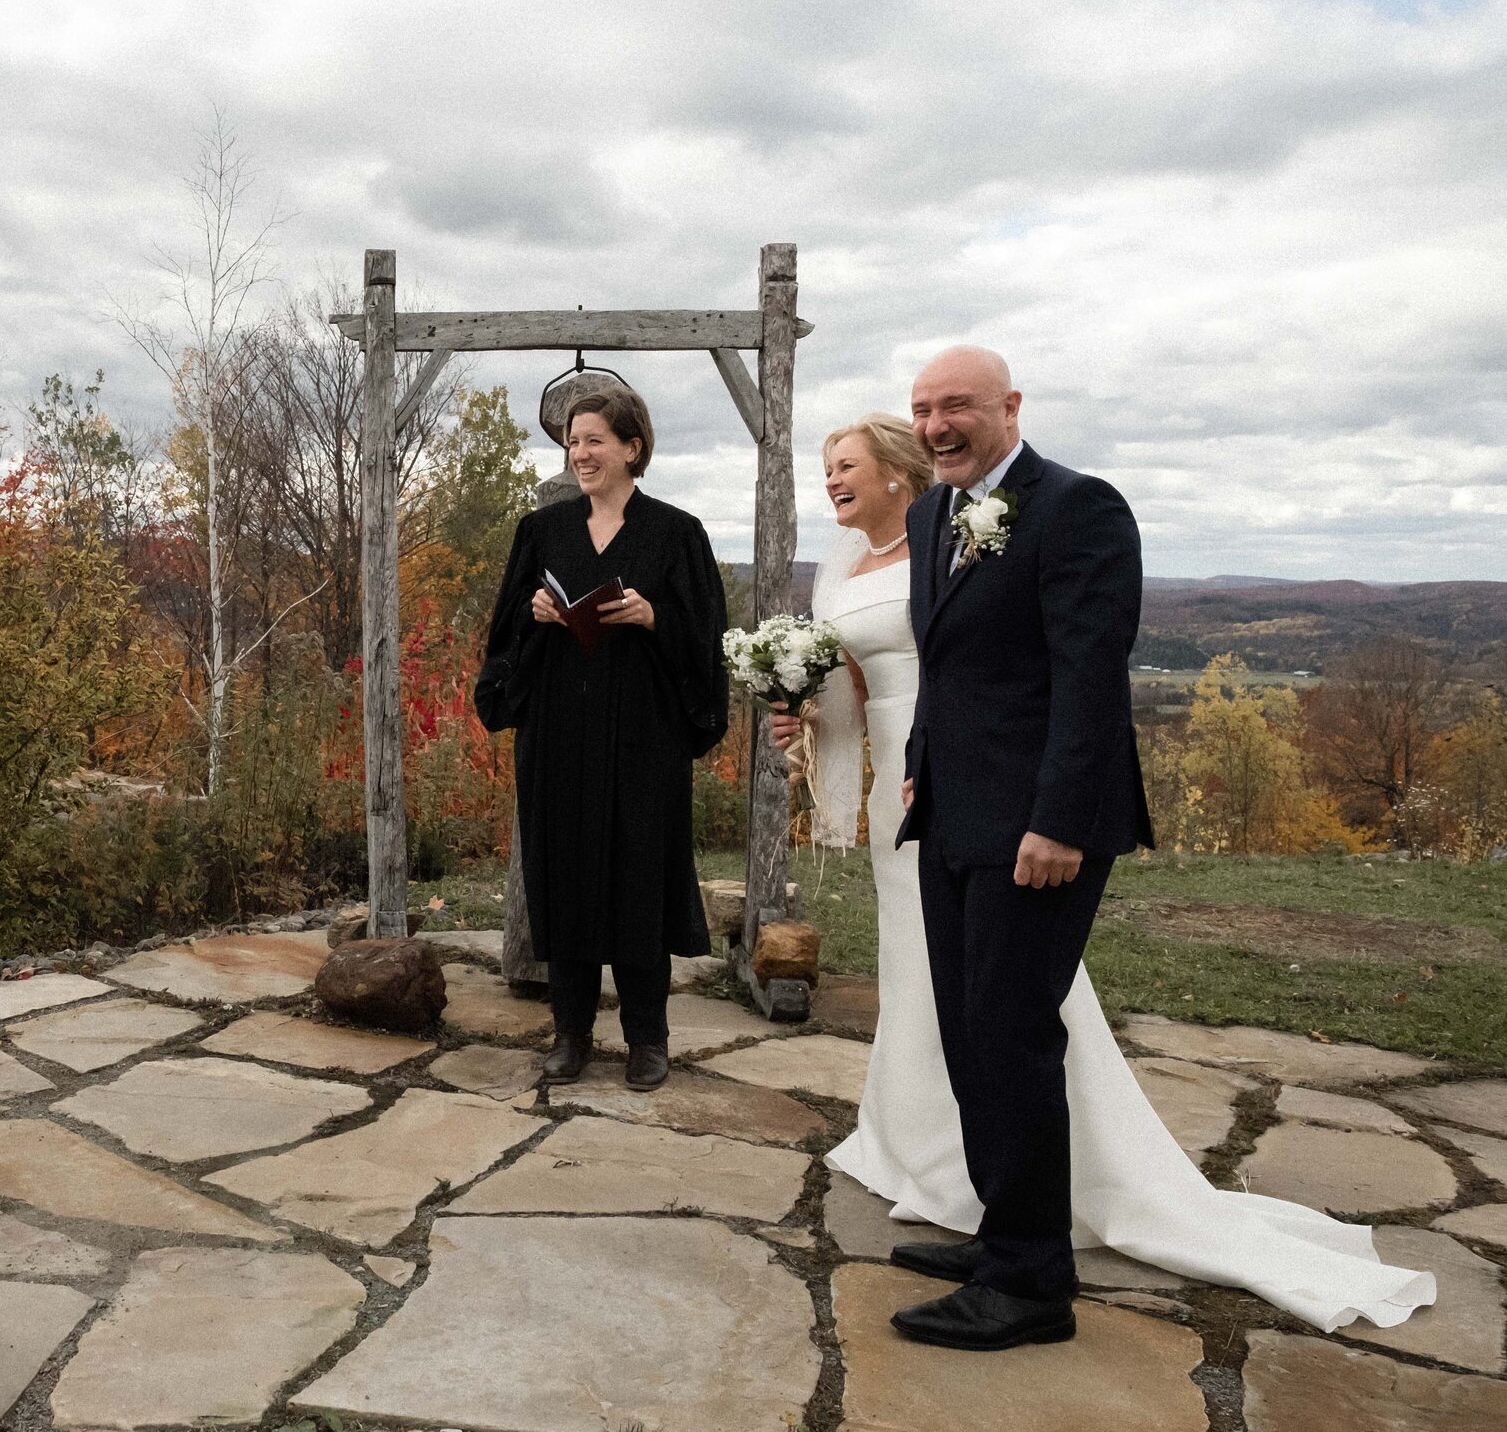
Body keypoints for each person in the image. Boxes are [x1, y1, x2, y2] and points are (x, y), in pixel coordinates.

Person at [784, 354, 1432, 1352]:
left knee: (1011, 1037)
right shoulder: (927, 520)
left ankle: (1030, 1285)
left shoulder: (1079, 508)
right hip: (948, 816)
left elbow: (1087, 680)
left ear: (1010, 408)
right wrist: (917, 762)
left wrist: (1060, 823)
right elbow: (945, 667)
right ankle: (1002, 1230)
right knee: (965, 1034)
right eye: (924, 408)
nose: (939, 421)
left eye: (958, 404)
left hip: (1037, 829)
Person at [474, 386, 728, 1091]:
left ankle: (648, 1037)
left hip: (643, 736)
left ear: (631, 447)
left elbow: (706, 642)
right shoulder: (543, 531)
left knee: (640, 875)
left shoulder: (677, 534)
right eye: (573, 441)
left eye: (594, 440)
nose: (580, 453)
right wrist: (537, 613)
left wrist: (653, 618)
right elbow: (505, 635)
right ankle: (570, 1032)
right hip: (559, 729)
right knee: (566, 874)